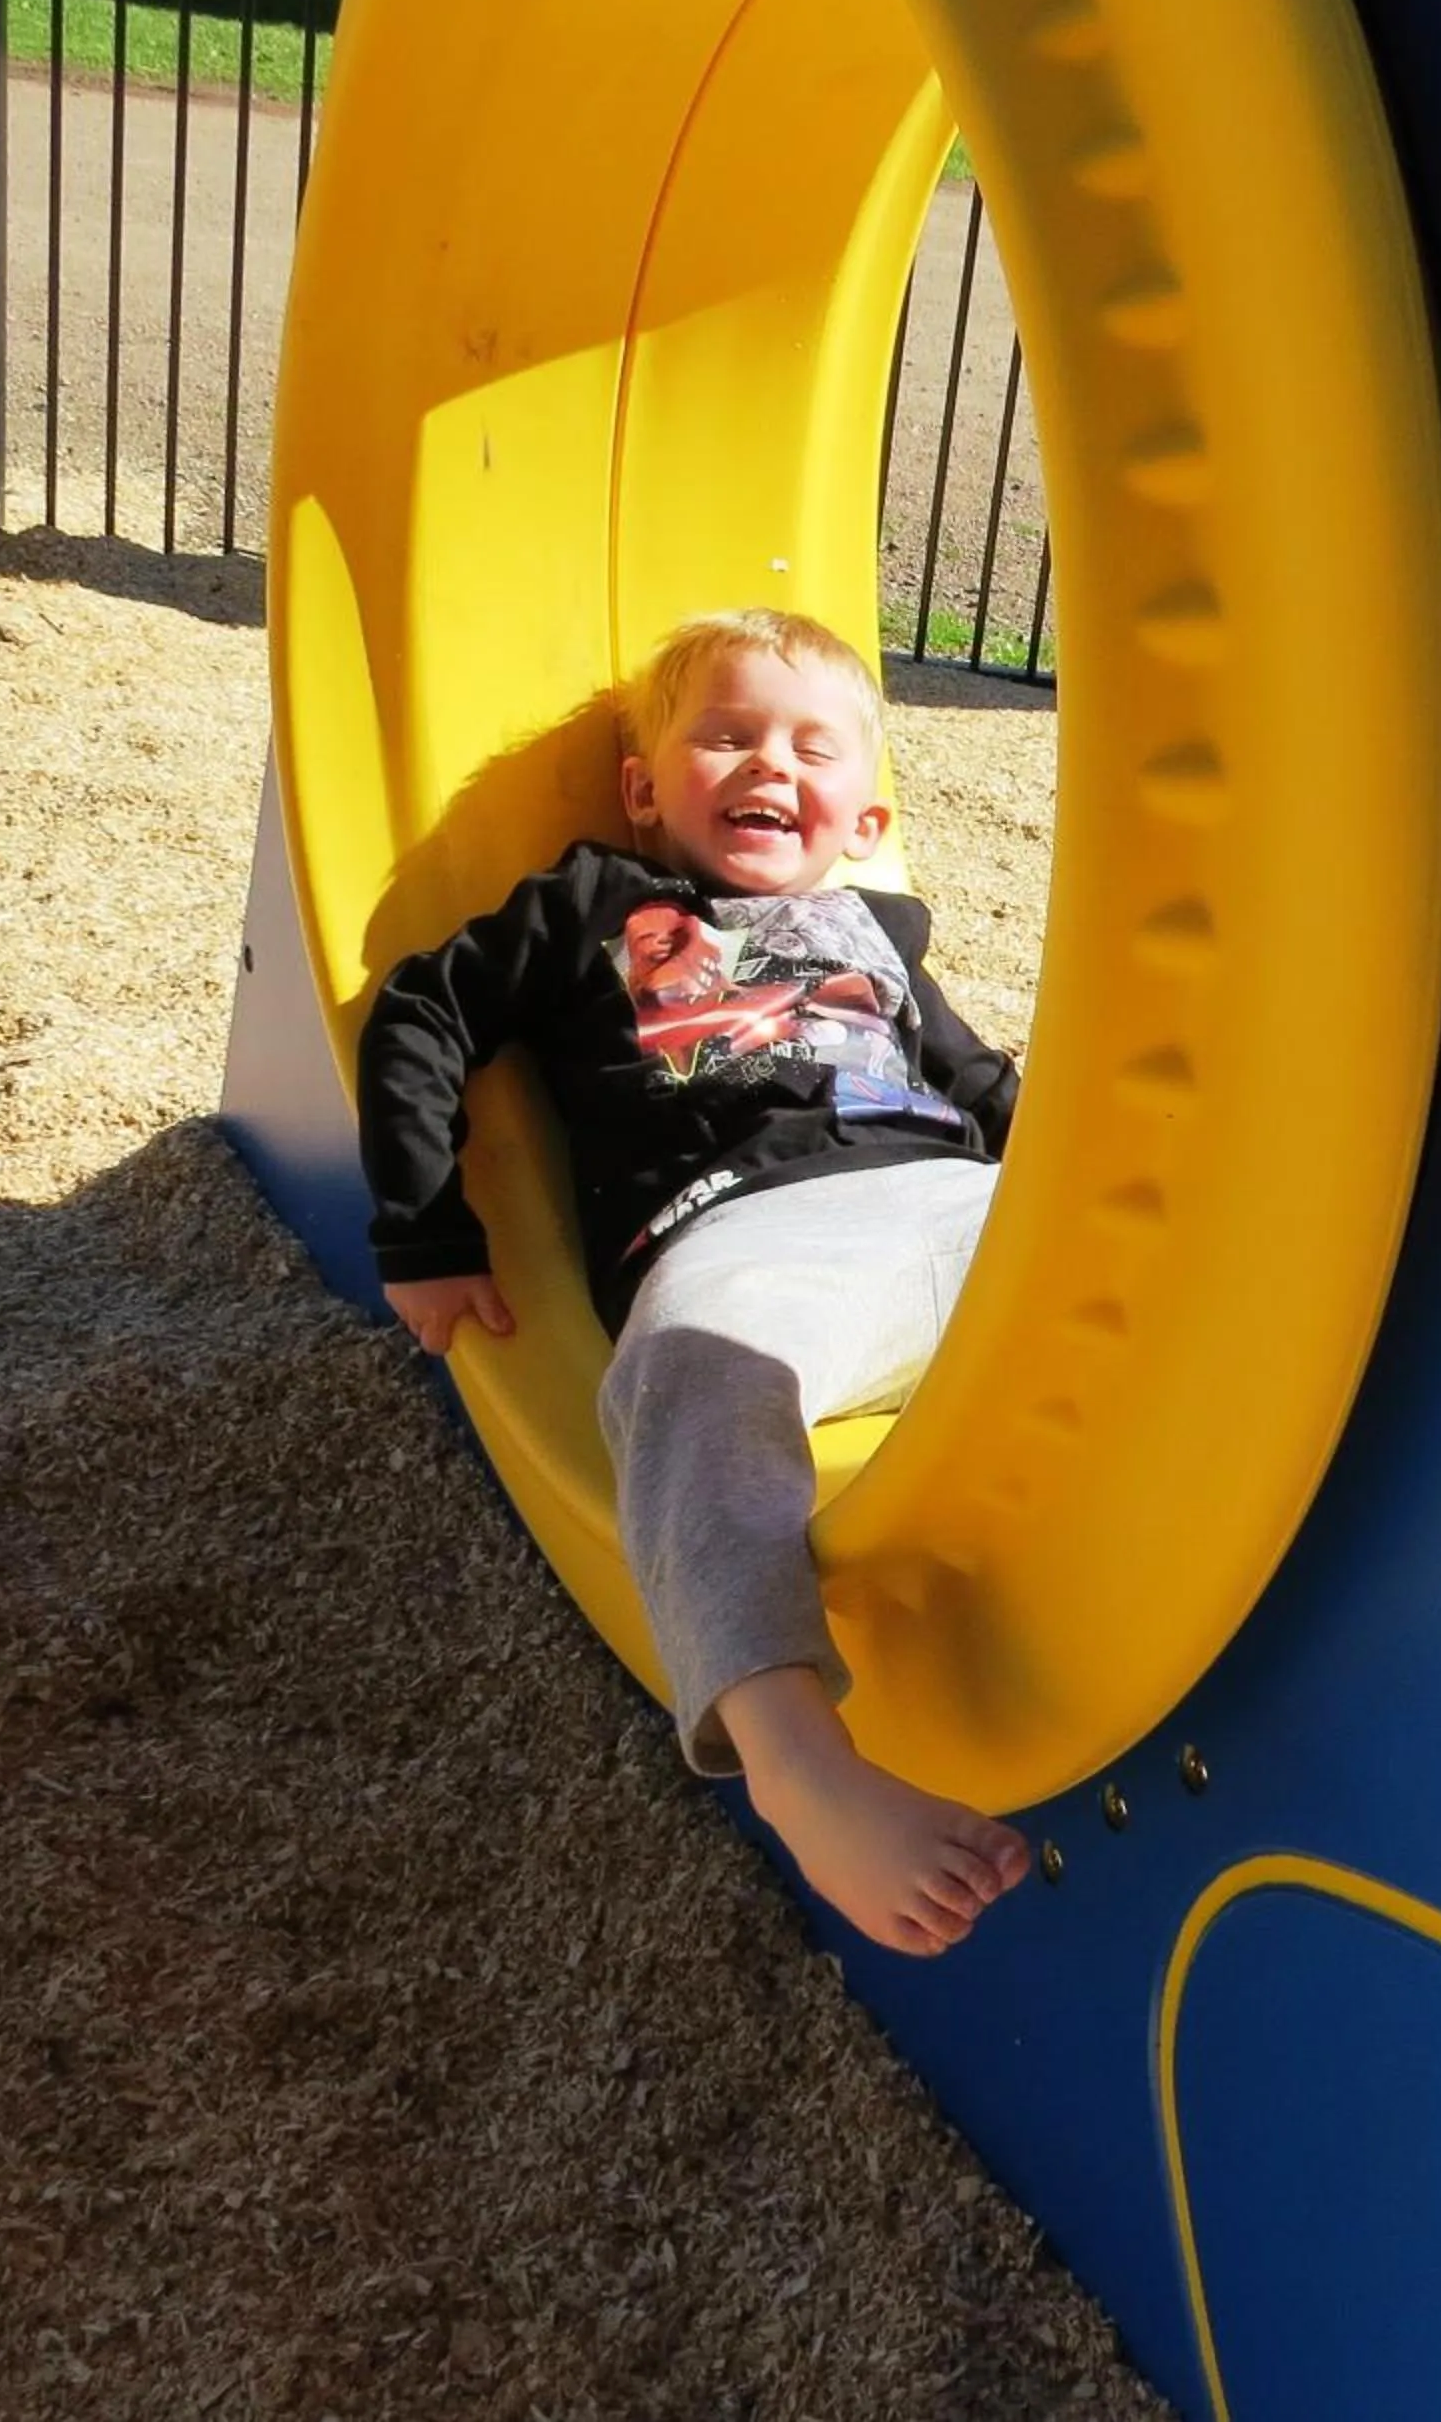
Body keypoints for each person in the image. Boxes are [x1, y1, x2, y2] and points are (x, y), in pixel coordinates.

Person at [357, 609, 1032, 1956]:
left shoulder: (876, 931)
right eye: (725, 736)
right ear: (645, 789)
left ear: (866, 814)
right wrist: (425, 1230)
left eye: (810, 747)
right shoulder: (594, 906)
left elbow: (989, 1095)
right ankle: (795, 1761)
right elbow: (422, 1012)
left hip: (956, 1207)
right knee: (687, 1373)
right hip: (741, 1222)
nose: (768, 766)